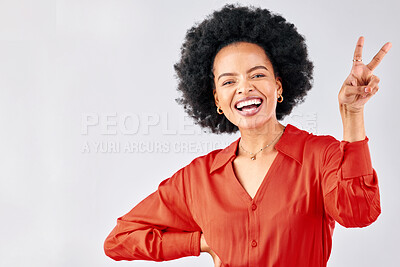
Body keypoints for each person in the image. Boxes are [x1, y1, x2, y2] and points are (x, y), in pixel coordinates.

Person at [104, 4, 391, 267]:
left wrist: (352, 114)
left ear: (278, 86)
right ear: (217, 99)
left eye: (257, 75)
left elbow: (360, 212)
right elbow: (119, 239)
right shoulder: (197, 179)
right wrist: (198, 242)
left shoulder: (320, 155)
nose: (244, 88)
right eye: (229, 81)